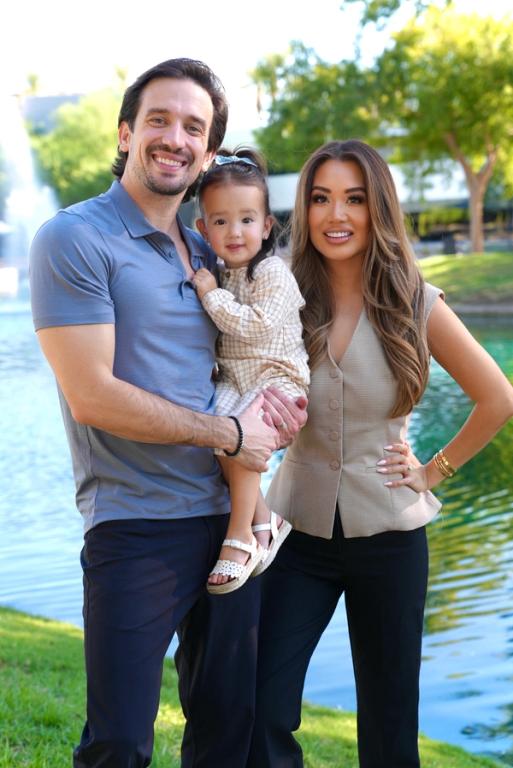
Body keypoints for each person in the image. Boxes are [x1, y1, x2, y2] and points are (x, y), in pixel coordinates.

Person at [29, 58, 307, 768]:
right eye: (158, 119)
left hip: (231, 526)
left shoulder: (208, 248)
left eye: (194, 127)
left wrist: (281, 408)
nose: (174, 138)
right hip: (135, 525)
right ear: (126, 132)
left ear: (209, 152)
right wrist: (233, 432)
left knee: (224, 732)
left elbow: (258, 348)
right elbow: (90, 393)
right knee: (119, 740)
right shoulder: (74, 238)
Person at [247, 139, 513, 768]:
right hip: (295, 533)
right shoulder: (280, 292)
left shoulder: (415, 301)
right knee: (262, 704)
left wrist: (431, 471)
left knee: (390, 728)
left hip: (391, 535)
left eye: (354, 199)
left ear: (378, 208)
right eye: (320, 198)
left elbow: (497, 398)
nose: (336, 215)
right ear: (304, 209)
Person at [192, 147, 310, 594]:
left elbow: (255, 326)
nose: (234, 231)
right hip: (234, 380)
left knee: (240, 439)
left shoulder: (274, 273)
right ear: (204, 229)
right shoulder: (218, 272)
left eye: (246, 220)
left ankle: (241, 536)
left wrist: (210, 296)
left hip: (277, 378)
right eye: (220, 221)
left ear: (266, 226)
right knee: (218, 440)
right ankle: (267, 518)